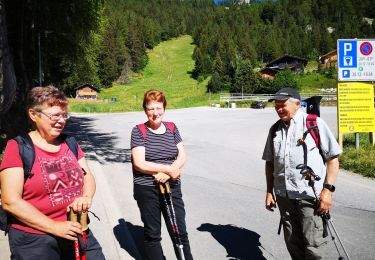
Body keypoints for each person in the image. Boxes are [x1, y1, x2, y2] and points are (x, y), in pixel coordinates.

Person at [0, 86, 105, 260]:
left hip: (75, 227)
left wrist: (86, 197)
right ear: (34, 115)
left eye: (64, 115)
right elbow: (10, 201)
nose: (61, 120)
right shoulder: (17, 147)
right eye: (55, 115)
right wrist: (54, 226)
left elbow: (88, 177)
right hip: (34, 239)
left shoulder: (69, 143)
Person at [262, 87, 341, 260]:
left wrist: (327, 191)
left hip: (310, 197)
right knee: (293, 244)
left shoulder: (314, 123)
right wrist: (269, 191)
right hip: (284, 197)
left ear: (297, 104)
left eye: (282, 105)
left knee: (314, 247)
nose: (278, 109)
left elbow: (333, 159)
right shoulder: (274, 130)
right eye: (276, 105)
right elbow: (270, 163)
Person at [131, 89, 193, 260]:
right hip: (147, 188)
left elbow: (182, 156)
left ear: (164, 108)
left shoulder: (172, 128)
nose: (155, 113)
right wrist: (168, 169)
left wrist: (169, 172)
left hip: (172, 186)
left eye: (158, 108)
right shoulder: (138, 131)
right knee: (152, 234)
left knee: (180, 232)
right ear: (145, 110)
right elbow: (139, 163)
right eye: (151, 109)